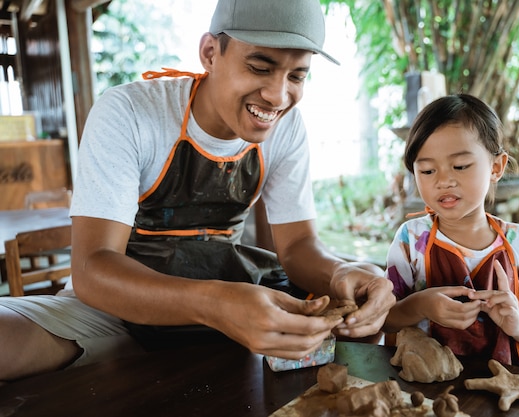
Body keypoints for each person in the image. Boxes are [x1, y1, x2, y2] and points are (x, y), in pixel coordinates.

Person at [0, 0, 395, 382]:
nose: (278, 96)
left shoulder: (287, 129)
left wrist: (341, 271)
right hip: (117, 309)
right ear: (210, 52)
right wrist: (216, 304)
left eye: (296, 76)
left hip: (233, 307)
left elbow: (296, 248)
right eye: (260, 67)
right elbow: (92, 269)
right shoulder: (130, 113)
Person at [383, 93, 519, 369]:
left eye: (460, 166)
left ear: (496, 167)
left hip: (501, 389)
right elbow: (384, 317)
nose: (444, 181)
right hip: (422, 389)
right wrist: (420, 306)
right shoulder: (411, 238)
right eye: (428, 171)